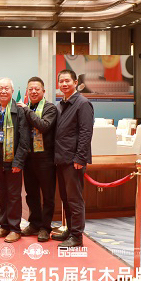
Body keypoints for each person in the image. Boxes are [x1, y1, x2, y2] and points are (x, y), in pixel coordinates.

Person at [52, 69, 94, 248]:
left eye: (67, 81)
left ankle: (77, 236)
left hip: (73, 160)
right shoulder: (61, 104)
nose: (64, 84)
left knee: (75, 199)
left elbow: (86, 132)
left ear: (75, 82)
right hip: (61, 158)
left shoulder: (83, 103)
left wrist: (80, 158)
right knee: (65, 198)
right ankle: (70, 230)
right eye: (61, 81)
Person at [17, 76, 58, 242]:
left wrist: (27, 111)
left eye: (37, 89)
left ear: (43, 91)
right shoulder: (25, 108)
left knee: (47, 195)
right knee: (31, 194)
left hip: (46, 158)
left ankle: (45, 227)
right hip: (29, 158)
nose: (33, 92)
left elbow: (43, 126)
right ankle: (34, 223)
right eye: (31, 89)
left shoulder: (50, 108)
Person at [0, 77, 30, 243]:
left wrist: (18, 162)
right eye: (0, 88)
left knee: (13, 195)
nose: (3, 91)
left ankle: (15, 229)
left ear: (12, 91)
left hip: (13, 159)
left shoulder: (19, 111)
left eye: (7, 88)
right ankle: (4, 226)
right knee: (2, 194)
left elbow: (25, 139)